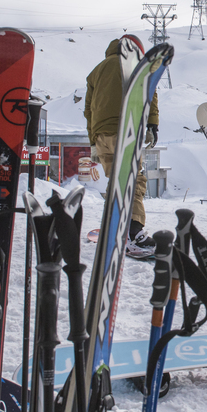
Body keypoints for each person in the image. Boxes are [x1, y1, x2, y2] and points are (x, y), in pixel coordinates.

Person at [85, 38, 159, 259]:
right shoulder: (135, 65)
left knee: (117, 180)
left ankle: (114, 227)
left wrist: (93, 142)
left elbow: (88, 109)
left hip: (101, 135)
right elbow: (150, 93)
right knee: (133, 181)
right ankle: (132, 233)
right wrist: (152, 124)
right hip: (124, 129)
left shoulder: (97, 70)